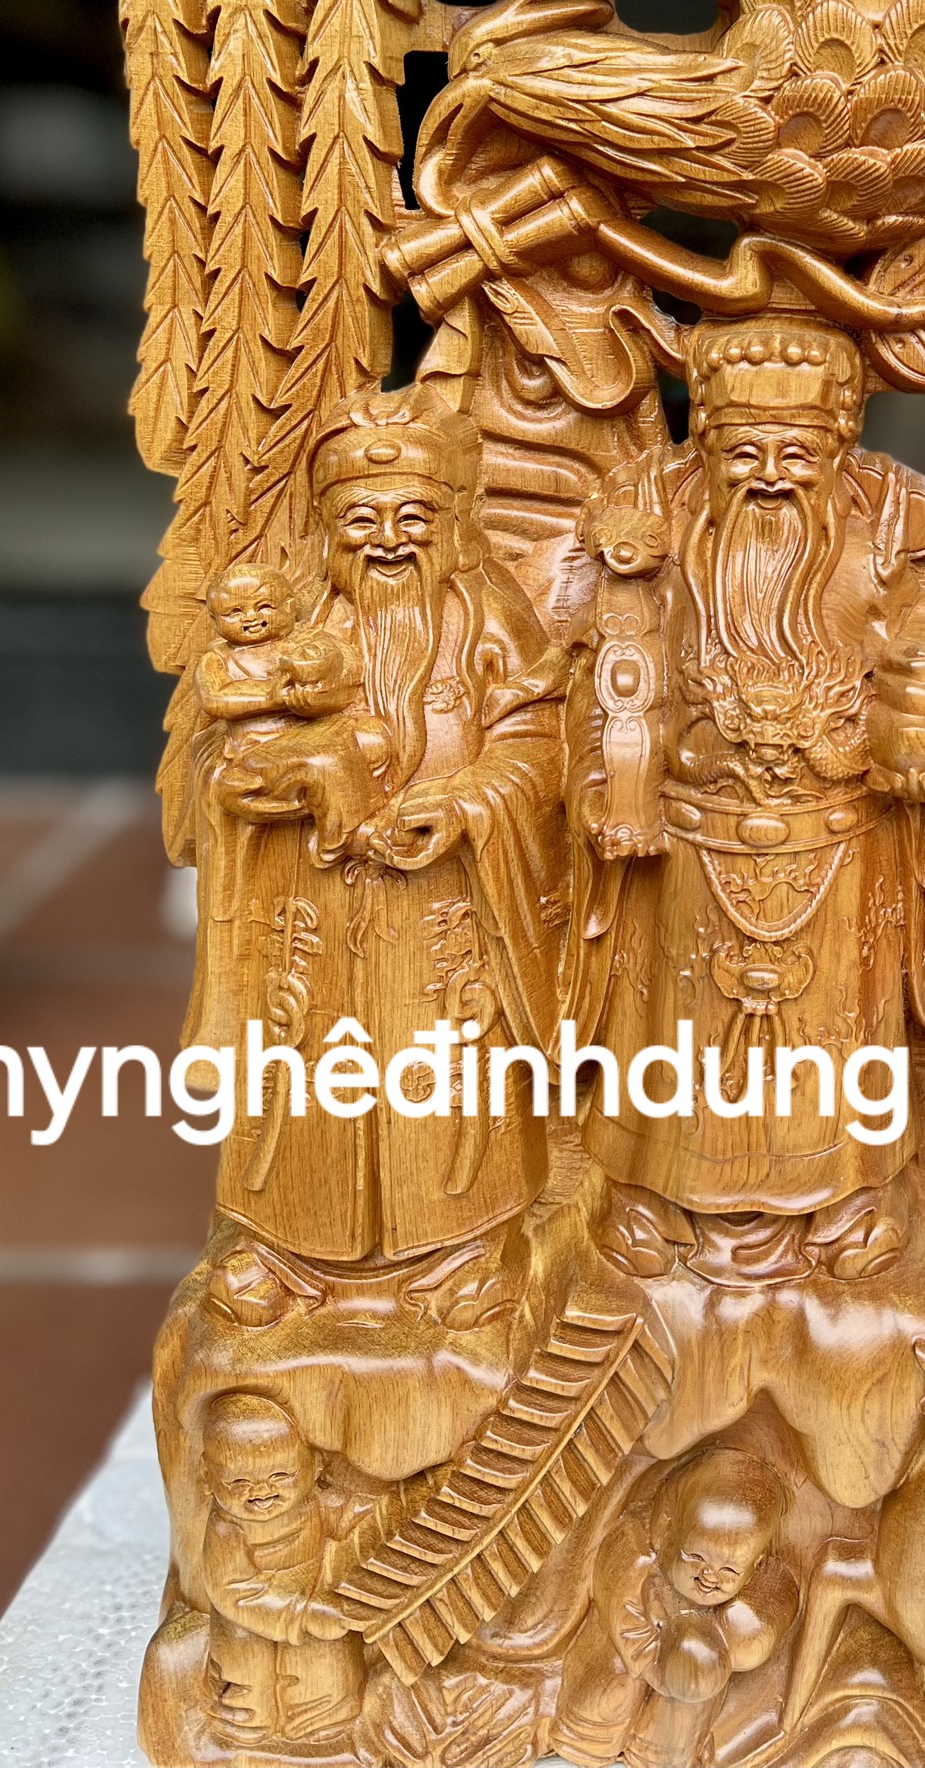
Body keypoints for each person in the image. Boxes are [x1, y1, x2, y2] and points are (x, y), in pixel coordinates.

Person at [563, 315, 925, 1216]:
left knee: (835, 1048)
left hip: (841, 855)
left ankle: (845, 1208)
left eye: (796, 456)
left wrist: (915, 731)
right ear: (705, 451)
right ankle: (657, 1204)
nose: (770, 475)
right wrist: (616, 778)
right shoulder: (661, 554)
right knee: (679, 1044)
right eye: (744, 455)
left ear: (838, 455)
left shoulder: (884, 554)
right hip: (689, 855)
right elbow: (603, 687)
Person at [192, 385, 568, 1263]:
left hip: (445, 909)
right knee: (303, 1077)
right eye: (362, 520)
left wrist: (465, 802)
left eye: (413, 517)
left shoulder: (488, 616)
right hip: (311, 912)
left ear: (452, 521)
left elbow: (540, 742)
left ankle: (463, 1252)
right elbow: (223, 745)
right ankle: (286, 1257)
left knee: (449, 1083)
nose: (389, 540)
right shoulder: (291, 616)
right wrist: (243, 788)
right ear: (328, 530)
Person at [553, 1449, 796, 1768]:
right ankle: (587, 1738)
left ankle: (656, 1754)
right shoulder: (636, 1562)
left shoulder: (741, 1612)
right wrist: (657, 1665)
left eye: (729, 1570)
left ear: (755, 1566)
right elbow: (624, 1619)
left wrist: (703, 1661)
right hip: (629, 1654)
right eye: (695, 1557)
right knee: (613, 1687)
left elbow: (767, 1618)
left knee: (689, 1696)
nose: (710, 1577)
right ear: (668, 1531)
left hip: (693, 1678)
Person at [198, 1391, 365, 1746]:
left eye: (281, 1474)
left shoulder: (317, 1504)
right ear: (207, 1476)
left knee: (326, 1661)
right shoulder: (227, 1529)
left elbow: (356, 1519)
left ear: (315, 1466)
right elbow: (233, 1593)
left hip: (311, 1605)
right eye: (238, 1481)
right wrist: (301, 1615)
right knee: (247, 1679)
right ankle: (248, 1733)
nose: (261, 1491)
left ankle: (321, 1725)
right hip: (246, 1619)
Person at [196, 562, 389, 862]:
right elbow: (216, 699)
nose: (251, 618)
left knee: (371, 737)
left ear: (289, 607)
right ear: (214, 618)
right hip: (260, 751)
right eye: (234, 612)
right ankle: (345, 838)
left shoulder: (307, 642)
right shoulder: (218, 659)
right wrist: (275, 696)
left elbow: (344, 675)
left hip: (319, 729)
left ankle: (370, 811)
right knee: (322, 760)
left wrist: (318, 692)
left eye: (264, 606)